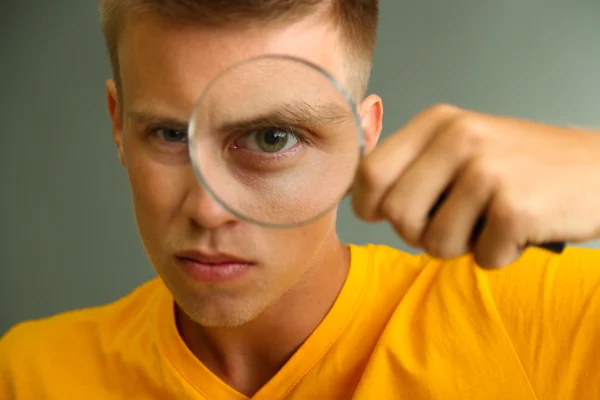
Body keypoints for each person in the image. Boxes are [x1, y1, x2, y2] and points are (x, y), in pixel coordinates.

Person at [2, 1, 600, 398]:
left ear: (364, 134)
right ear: (117, 126)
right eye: (170, 134)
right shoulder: (29, 375)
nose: (209, 210)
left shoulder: (544, 320)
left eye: (271, 138)